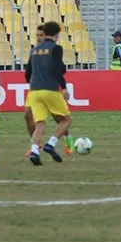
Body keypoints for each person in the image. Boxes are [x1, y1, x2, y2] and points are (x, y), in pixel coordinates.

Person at [24, 21, 72, 165]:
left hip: (34, 91)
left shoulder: (34, 50)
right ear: (57, 35)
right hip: (50, 89)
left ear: (45, 34)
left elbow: (27, 73)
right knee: (66, 120)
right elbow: (57, 68)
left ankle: (35, 151)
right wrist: (63, 87)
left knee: (40, 124)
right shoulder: (56, 48)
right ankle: (51, 143)